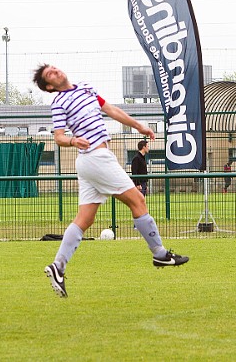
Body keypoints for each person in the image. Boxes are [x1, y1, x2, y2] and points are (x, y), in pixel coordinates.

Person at [33, 64, 188, 298]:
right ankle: (160, 254)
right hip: (95, 157)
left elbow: (111, 109)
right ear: (49, 86)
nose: (56, 71)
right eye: (50, 75)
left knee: (85, 218)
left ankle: (58, 267)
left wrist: (139, 127)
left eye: (54, 68)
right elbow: (59, 137)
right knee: (138, 201)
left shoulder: (86, 88)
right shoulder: (59, 102)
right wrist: (73, 141)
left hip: (90, 161)